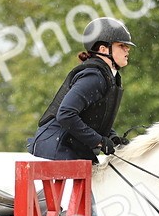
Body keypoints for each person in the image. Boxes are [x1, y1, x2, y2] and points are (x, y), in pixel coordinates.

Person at [28, 16, 132, 162]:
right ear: (103, 49)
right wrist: (99, 141)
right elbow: (65, 114)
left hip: (73, 147)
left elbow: (94, 118)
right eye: (121, 45)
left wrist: (112, 137)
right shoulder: (94, 77)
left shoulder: (109, 77)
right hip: (58, 147)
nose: (127, 49)